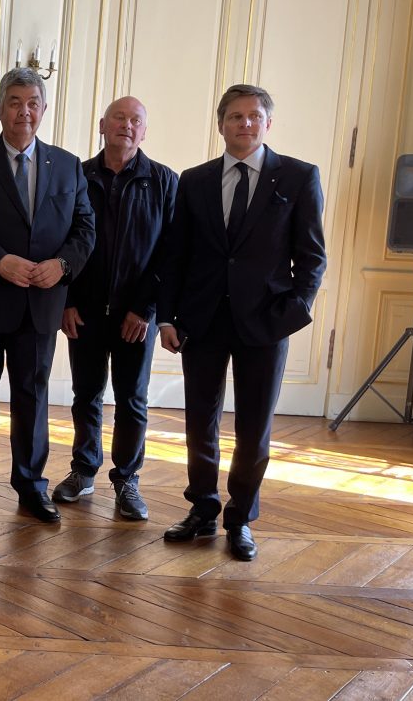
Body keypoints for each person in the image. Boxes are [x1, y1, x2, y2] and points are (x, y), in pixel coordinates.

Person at [158, 84, 326, 561]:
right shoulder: (195, 180)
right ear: (221, 124)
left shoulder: (297, 177)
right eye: (235, 116)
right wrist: (167, 317)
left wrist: (291, 314)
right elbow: (176, 256)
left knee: (254, 428)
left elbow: (311, 257)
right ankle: (202, 509)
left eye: (254, 116)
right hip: (202, 322)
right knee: (199, 423)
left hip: (265, 324)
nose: (244, 124)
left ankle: (240, 518)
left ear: (267, 123)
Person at [0, 67, 95, 522]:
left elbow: (85, 228)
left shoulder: (68, 165)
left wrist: (63, 265)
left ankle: (31, 486)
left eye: (32, 103)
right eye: (14, 102)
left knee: (32, 397)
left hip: (40, 304)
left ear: (43, 110)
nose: (23, 112)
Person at [54, 96, 177, 520]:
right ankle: (83, 471)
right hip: (84, 311)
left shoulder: (163, 181)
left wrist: (144, 309)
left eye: (135, 120)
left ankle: (127, 480)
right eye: (119, 118)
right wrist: (65, 302)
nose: (127, 125)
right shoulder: (77, 175)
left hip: (135, 315)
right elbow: (61, 241)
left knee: (132, 399)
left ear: (144, 132)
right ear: (102, 125)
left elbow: (170, 254)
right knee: (85, 394)